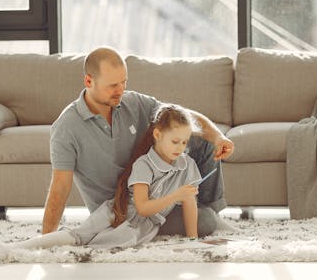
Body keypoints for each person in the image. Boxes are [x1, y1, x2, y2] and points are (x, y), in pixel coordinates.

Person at [42, 46, 235, 238]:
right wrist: (46, 236)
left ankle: (209, 213)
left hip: (157, 194)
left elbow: (180, 116)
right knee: (204, 221)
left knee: (204, 140)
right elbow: (60, 187)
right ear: (89, 81)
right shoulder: (66, 127)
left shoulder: (132, 103)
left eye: (123, 82)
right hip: (122, 212)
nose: (120, 90)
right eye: (112, 85)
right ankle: (208, 219)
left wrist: (218, 136)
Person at [0, 104, 207, 252]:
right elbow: (142, 207)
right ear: (158, 135)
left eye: (184, 142)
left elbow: (189, 202)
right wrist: (175, 196)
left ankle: (33, 247)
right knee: (78, 236)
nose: (180, 148)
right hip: (118, 210)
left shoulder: (186, 164)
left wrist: (192, 240)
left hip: (140, 227)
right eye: (175, 141)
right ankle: (17, 248)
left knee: (92, 245)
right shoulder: (144, 165)